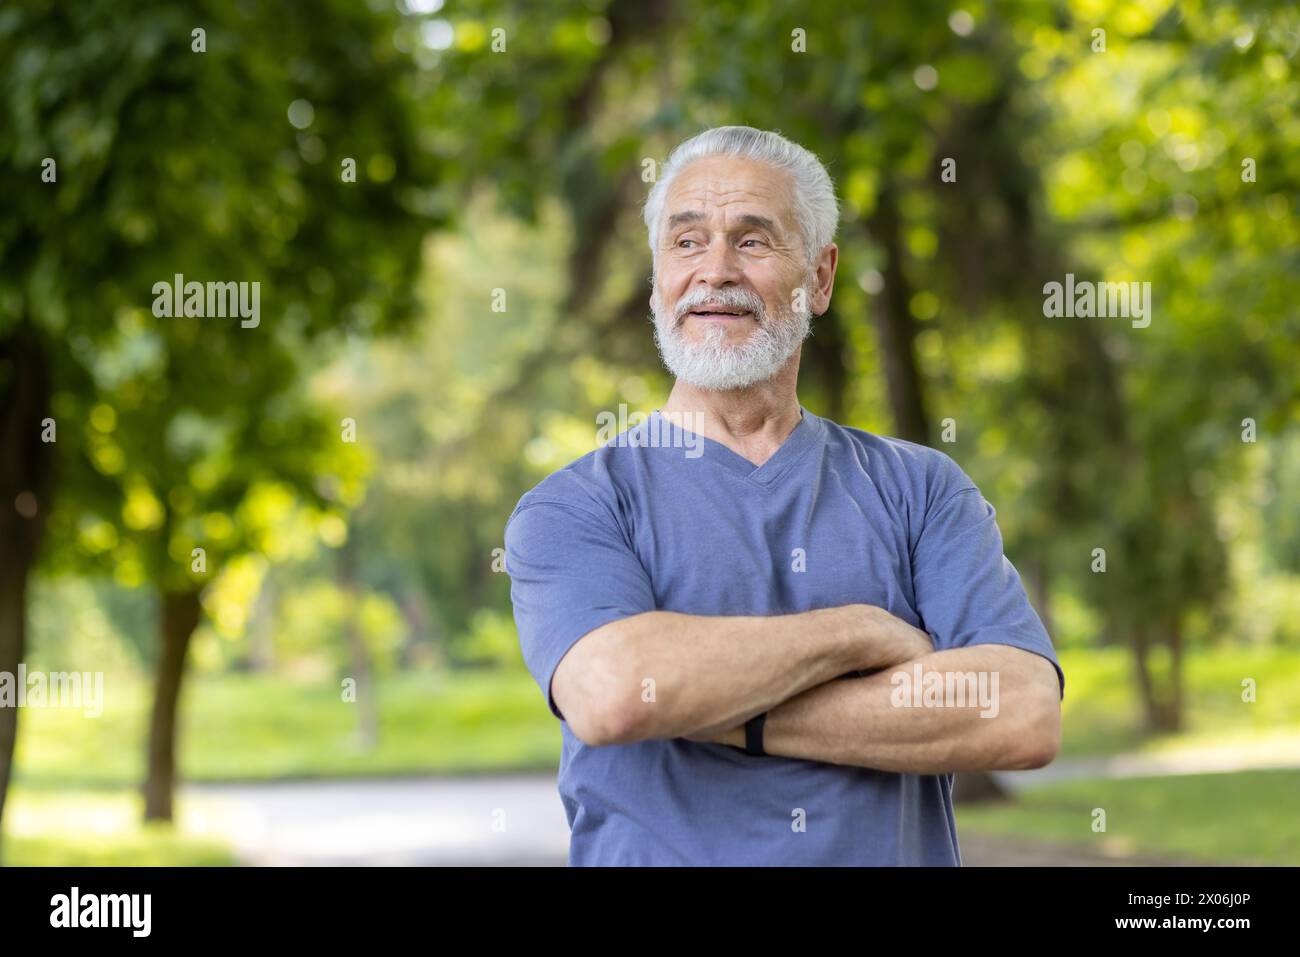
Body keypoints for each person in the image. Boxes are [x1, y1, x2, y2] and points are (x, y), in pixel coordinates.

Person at [504, 126, 1064, 866]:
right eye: (687, 241)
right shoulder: (574, 506)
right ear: (656, 278)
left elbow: (1020, 712)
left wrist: (729, 713)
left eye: (753, 240)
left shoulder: (920, 490)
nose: (715, 271)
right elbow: (616, 691)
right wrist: (861, 632)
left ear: (821, 278)